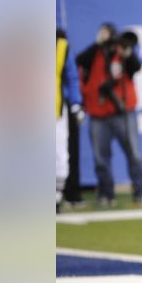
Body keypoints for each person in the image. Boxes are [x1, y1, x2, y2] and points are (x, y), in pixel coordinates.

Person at [77, 25, 142, 207]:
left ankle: (140, 191)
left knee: (134, 153)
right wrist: (97, 44)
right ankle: (106, 194)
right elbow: (80, 61)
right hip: (98, 113)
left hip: (122, 112)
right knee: (101, 158)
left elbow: (136, 67)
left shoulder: (122, 54)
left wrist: (127, 52)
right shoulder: (95, 54)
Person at [56, 29, 83, 213]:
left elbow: (72, 77)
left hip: (55, 110)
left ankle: (56, 196)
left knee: (60, 156)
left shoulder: (61, 46)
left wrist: (75, 103)